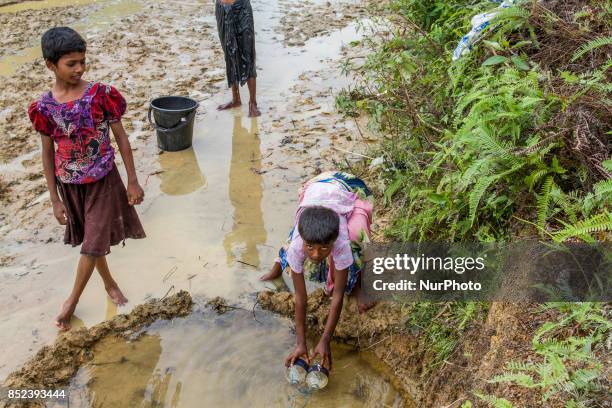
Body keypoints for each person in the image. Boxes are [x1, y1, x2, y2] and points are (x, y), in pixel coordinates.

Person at [28, 27, 146, 330]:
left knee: (92, 243)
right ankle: (109, 283)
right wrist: (55, 200)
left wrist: (132, 180)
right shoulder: (44, 108)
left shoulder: (100, 96)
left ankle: (71, 302)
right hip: (70, 185)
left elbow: (120, 138)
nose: (79, 68)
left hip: (104, 180)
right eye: (71, 64)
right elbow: (47, 154)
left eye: (83, 61)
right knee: (92, 240)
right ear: (50, 65)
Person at [260, 171, 374, 371]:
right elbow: (300, 299)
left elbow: (337, 296)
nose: (315, 255)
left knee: (357, 235)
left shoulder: (340, 242)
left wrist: (325, 340)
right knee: (293, 243)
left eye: (324, 248)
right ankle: (277, 267)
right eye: (310, 247)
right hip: (315, 189)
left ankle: (357, 284)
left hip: (345, 186)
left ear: (333, 242)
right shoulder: (298, 244)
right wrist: (301, 344)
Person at [215, 0, 261, 117]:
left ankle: (253, 103)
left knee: (248, 53)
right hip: (222, 8)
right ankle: (236, 99)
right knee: (229, 53)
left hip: (242, 8)